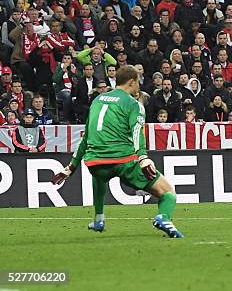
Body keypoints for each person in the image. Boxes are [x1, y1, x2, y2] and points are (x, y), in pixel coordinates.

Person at [52, 65, 184, 238]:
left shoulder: (97, 100)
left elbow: (87, 136)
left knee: (99, 174)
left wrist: (71, 166)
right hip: (124, 161)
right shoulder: (133, 104)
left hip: (95, 162)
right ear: (131, 81)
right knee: (168, 193)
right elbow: (137, 132)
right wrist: (143, 157)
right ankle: (163, 217)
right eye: (138, 82)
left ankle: (99, 219)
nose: (139, 86)